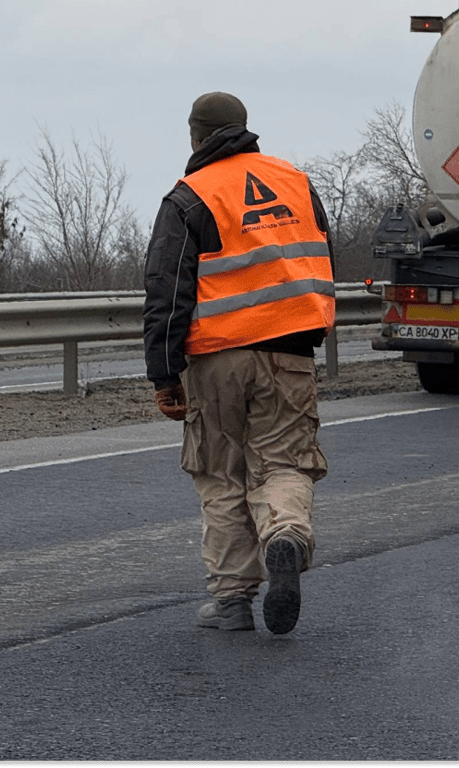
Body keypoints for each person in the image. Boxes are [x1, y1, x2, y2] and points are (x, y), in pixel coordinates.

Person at [143, 91, 335, 634]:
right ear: (245, 128)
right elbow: (321, 256)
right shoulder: (297, 183)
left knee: (221, 473)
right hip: (290, 353)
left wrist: (164, 374)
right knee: (285, 463)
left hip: (216, 359)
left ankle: (231, 602)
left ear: (196, 136)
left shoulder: (189, 197)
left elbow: (167, 291)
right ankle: (286, 537)